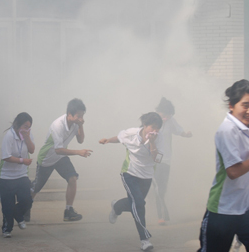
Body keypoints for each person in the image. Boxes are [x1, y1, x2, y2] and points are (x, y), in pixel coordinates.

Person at [99, 112, 164, 251]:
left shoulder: (159, 138)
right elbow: (120, 138)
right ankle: (144, 239)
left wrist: (152, 143)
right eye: (153, 127)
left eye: (158, 128)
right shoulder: (131, 133)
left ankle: (117, 206)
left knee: (136, 203)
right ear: (145, 125)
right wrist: (108, 140)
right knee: (139, 204)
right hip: (129, 173)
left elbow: (157, 159)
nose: (155, 131)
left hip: (146, 176)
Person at [198, 79, 249, 251]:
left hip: (245, 208)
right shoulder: (227, 130)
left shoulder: (245, 128)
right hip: (223, 211)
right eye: (245, 105)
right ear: (232, 105)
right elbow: (233, 171)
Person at [30, 98, 92, 222]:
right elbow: (58, 149)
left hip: (61, 158)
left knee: (73, 178)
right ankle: (24, 207)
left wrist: (80, 125)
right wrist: (78, 152)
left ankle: (68, 211)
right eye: (78, 116)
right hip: (47, 158)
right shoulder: (58, 125)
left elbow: (80, 140)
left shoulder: (75, 124)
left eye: (82, 115)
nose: (81, 118)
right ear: (69, 114)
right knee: (36, 187)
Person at [153, 97, 192, 225]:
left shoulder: (170, 122)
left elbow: (179, 130)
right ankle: (162, 214)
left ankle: (162, 214)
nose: (166, 118)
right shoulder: (152, 120)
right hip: (152, 160)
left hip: (166, 160)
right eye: (165, 115)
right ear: (159, 112)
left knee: (162, 187)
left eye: (169, 116)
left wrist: (186, 134)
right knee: (157, 187)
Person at [0, 112, 34, 238]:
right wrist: (22, 161)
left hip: (21, 174)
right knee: (7, 206)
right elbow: (6, 157)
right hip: (6, 176)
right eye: (24, 126)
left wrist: (27, 137)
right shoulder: (9, 136)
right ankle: (6, 229)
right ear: (17, 125)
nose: (26, 129)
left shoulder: (28, 135)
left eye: (29, 127)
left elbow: (31, 150)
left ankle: (18, 215)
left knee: (27, 200)